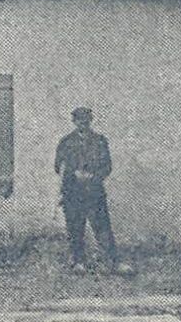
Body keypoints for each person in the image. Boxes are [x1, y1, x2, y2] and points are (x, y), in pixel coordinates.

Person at [55, 107, 134, 275]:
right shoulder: (66, 142)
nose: (83, 123)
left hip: (94, 191)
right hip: (73, 192)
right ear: (74, 122)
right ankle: (78, 261)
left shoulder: (100, 141)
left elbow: (107, 166)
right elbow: (58, 167)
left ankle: (112, 261)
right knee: (75, 227)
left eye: (86, 119)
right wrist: (74, 173)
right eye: (79, 120)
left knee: (103, 227)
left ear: (90, 121)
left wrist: (93, 176)